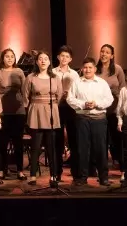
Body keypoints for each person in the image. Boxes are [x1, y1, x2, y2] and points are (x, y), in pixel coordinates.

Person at [66, 57, 114, 186]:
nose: (87, 70)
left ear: (95, 69)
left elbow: (109, 99)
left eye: (90, 67)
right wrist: (83, 104)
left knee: (101, 149)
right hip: (82, 119)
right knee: (82, 149)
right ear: (82, 69)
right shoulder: (77, 82)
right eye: (85, 67)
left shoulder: (102, 83)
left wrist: (97, 104)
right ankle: (82, 177)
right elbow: (70, 99)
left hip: (99, 119)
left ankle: (103, 177)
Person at [23, 50, 62, 187]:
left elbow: (60, 95)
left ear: (50, 62)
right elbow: (25, 96)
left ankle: (53, 175)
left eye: (46, 58)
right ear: (37, 61)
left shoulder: (55, 78)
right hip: (36, 113)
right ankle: (33, 175)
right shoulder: (31, 77)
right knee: (35, 147)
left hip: (51, 111)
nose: (43, 61)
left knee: (51, 148)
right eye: (40, 58)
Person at [0, 47, 26, 181]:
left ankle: (20, 170)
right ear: (2, 58)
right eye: (7, 56)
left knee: (18, 142)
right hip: (2, 110)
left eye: (12, 56)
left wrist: (25, 105)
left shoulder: (19, 71)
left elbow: (25, 91)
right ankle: (2, 169)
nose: (10, 59)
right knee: (2, 142)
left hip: (18, 110)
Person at [96, 44, 127, 171]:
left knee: (117, 139)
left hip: (114, 110)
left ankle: (122, 168)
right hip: (99, 110)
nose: (104, 54)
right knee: (101, 141)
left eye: (107, 52)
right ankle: (102, 168)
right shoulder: (94, 69)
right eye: (102, 51)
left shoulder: (117, 69)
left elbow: (123, 89)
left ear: (112, 55)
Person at [53, 46, 81, 180]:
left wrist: (68, 94)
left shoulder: (75, 74)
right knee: (57, 141)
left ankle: (76, 172)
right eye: (62, 55)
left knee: (74, 140)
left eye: (67, 56)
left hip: (71, 108)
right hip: (56, 107)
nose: (64, 58)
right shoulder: (52, 72)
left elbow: (77, 92)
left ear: (70, 59)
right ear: (58, 57)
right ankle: (56, 173)